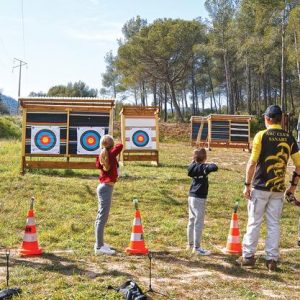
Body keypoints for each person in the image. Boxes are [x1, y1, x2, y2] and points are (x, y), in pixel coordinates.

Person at [238, 105, 300, 271]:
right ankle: (272, 259)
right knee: (274, 224)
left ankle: (248, 256)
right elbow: (299, 165)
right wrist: (293, 187)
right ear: (281, 119)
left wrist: (247, 185)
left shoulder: (261, 135)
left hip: (260, 186)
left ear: (267, 119)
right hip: (278, 189)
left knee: (254, 222)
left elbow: (252, 162)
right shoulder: (289, 138)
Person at [94, 135, 123, 255]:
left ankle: (99, 243)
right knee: (102, 218)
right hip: (106, 188)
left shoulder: (101, 156)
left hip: (103, 187)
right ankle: (99, 247)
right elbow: (120, 146)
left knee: (100, 217)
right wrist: (119, 139)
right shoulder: (110, 154)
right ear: (111, 146)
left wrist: (105, 145)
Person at [187, 148, 218, 255]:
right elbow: (214, 167)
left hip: (191, 196)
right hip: (199, 198)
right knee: (198, 222)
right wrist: (207, 163)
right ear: (205, 158)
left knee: (191, 220)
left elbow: (194, 166)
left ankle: (190, 245)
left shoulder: (191, 167)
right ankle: (197, 247)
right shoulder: (203, 167)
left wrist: (198, 161)